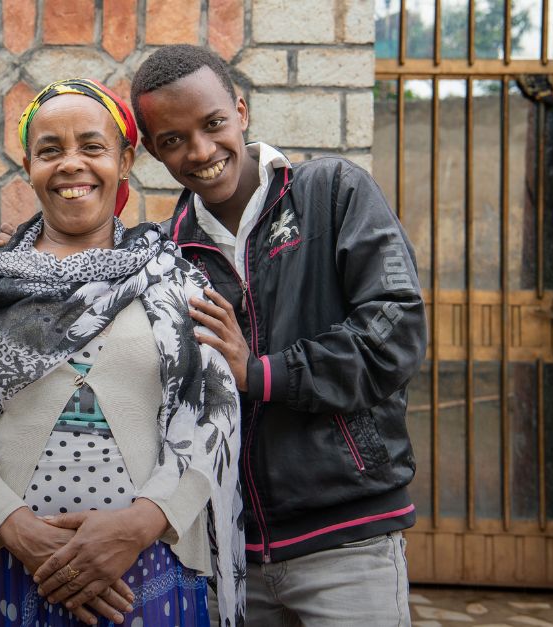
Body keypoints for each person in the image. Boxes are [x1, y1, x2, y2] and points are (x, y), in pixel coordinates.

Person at [0, 78, 246, 627]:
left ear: (124, 160)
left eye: (92, 147)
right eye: (51, 151)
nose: (72, 165)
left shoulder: (177, 280)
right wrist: (25, 535)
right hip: (7, 566)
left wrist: (138, 525)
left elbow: (213, 415)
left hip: (150, 567)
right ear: (28, 167)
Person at [132, 45, 427, 625]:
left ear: (240, 109)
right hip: (226, 553)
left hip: (347, 540)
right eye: (172, 140)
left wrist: (260, 373)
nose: (200, 151)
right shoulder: (165, 252)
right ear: (151, 151)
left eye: (213, 123)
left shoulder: (332, 192)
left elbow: (396, 330)